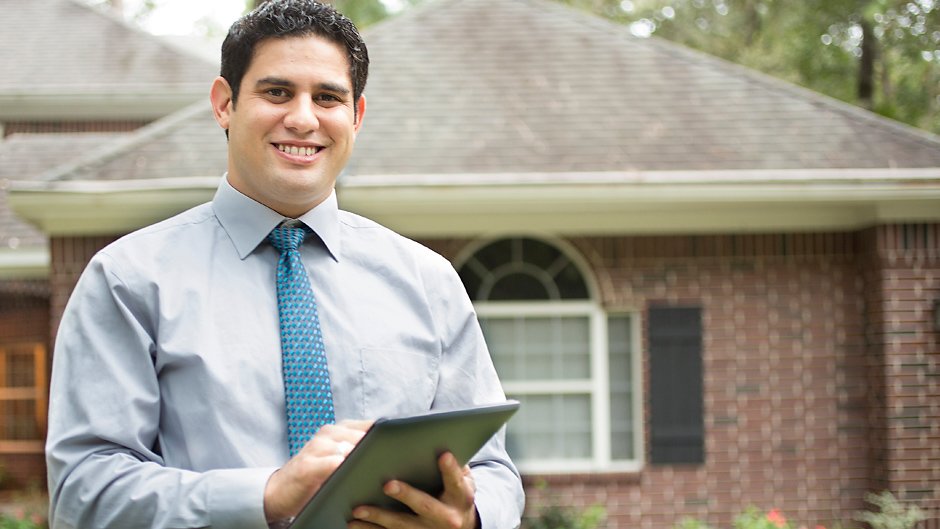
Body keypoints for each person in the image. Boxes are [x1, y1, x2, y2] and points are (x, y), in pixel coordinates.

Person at [44, 1, 525, 528]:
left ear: (356, 116)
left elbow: (493, 470)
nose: (302, 118)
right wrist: (266, 495)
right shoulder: (128, 280)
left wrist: (471, 516)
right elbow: (84, 492)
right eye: (277, 92)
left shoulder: (428, 282)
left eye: (327, 97)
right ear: (225, 104)